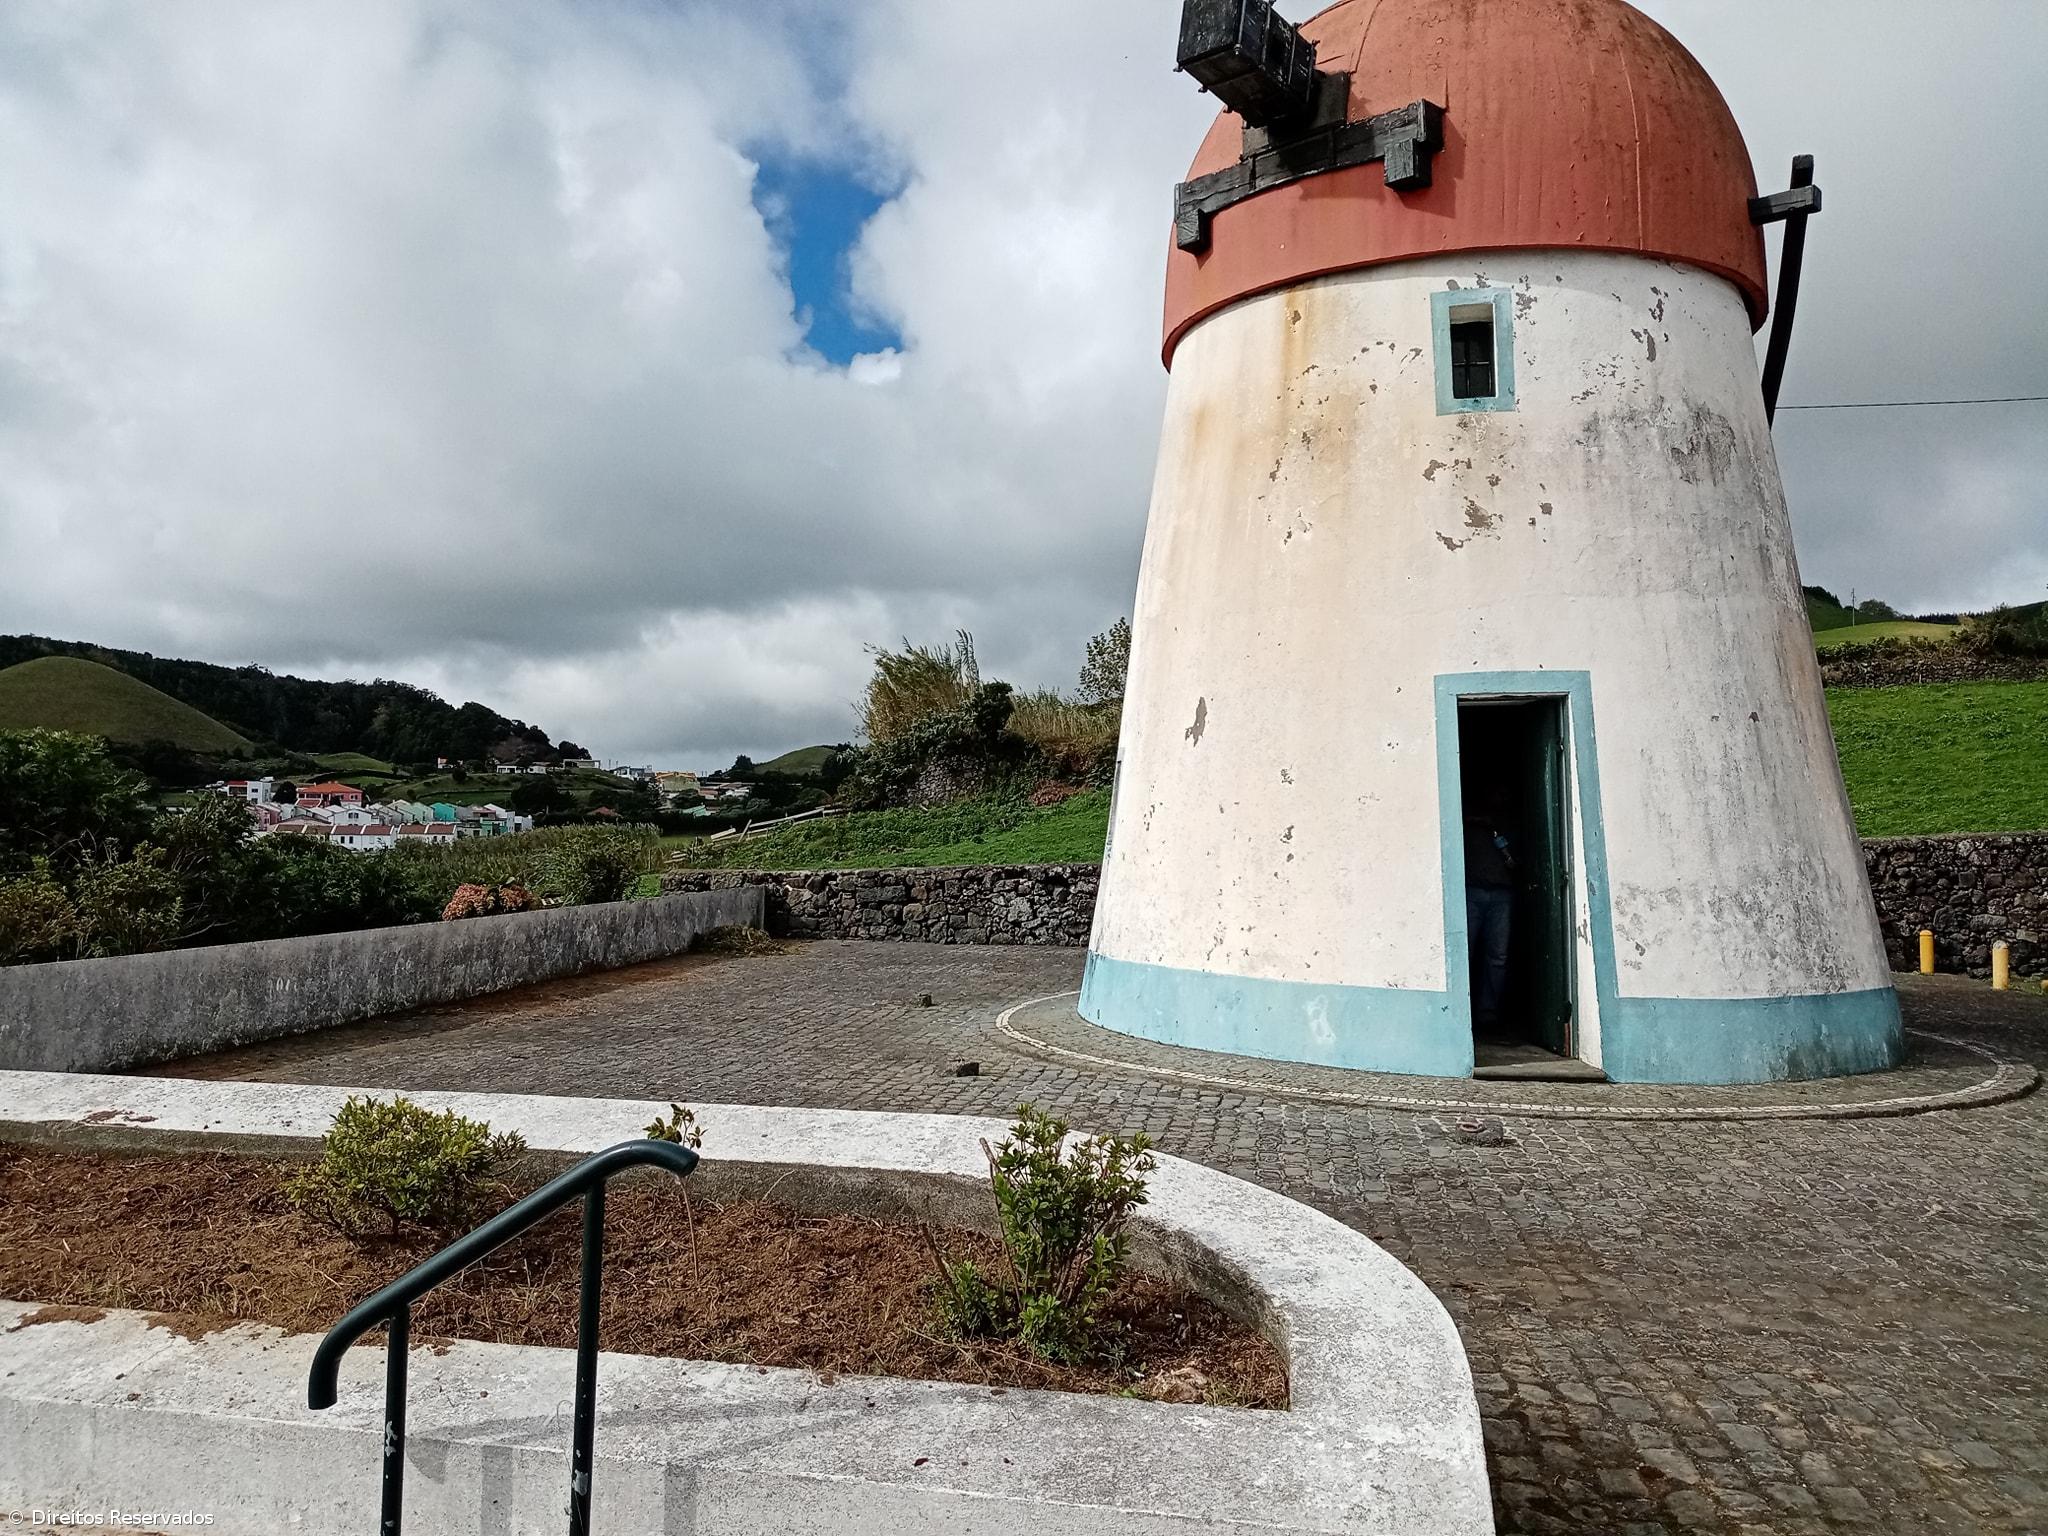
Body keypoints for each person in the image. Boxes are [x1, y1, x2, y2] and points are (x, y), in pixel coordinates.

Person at [1463, 795, 1515, 1032]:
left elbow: (1517, 863)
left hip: (1501, 893)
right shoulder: (1467, 826)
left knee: (1498, 957)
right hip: (1471, 892)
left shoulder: (1507, 826)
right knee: (1466, 953)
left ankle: (1488, 1014)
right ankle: (1464, 1011)